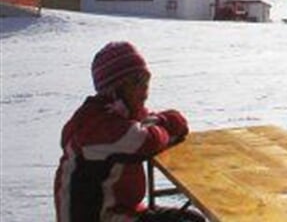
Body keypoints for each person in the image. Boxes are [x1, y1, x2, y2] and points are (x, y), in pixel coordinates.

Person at [54, 41, 201, 222]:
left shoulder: (122, 114)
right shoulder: (96, 125)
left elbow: (168, 124)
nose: (144, 90)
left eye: (146, 81)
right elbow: (146, 140)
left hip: (120, 210)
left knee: (192, 220)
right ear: (114, 89)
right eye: (136, 82)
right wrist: (166, 125)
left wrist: (164, 122)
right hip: (97, 217)